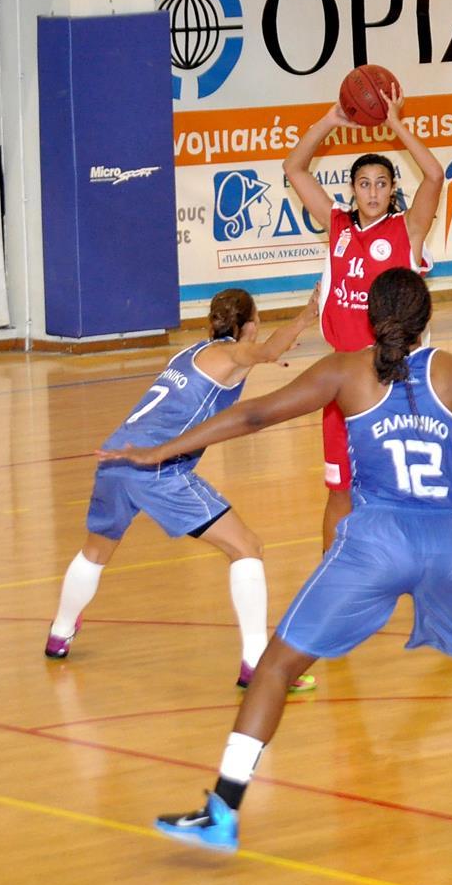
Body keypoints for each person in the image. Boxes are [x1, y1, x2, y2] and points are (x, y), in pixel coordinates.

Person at [99, 268, 452, 852]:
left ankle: (223, 810)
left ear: (369, 318)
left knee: (276, 667)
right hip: (447, 543)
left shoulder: (346, 371)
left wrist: (162, 450)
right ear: (426, 319)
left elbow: (254, 415)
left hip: (375, 544)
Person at [47, 289, 319, 692]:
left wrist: (268, 350)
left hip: (116, 456)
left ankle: (59, 632)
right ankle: (256, 664)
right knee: (246, 547)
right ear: (249, 326)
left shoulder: (190, 353)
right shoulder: (232, 353)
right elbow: (263, 352)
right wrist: (305, 317)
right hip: (157, 469)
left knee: (95, 551)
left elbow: (258, 355)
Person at [284, 84, 445, 551]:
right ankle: (331, 569)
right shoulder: (336, 223)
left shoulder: (408, 230)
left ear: (393, 189)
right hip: (343, 377)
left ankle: (407, 565)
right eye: (364, 183)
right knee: (340, 491)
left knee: (403, 489)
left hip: (395, 377)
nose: (373, 191)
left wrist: (395, 125)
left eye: (381, 183)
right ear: (352, 190)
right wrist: (330, 120)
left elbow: (434, 175)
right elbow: (294, 168)